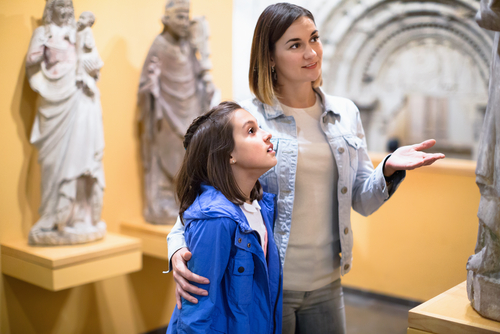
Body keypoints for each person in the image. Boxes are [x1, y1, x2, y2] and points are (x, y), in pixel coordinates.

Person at [167, 3, 445, 333]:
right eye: (295, 45)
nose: (311, 52)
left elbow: (362, 200)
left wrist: (386, 169)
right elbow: (207, 197)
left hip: (328, 284)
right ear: (269, 57)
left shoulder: (346, 113)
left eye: (314, 38)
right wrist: (175, 250)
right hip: (268, 283)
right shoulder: (247, 119)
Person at [166, 101, 282, 334]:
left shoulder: (259, 207)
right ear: (229, 155)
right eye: (251, 131)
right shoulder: (215, 219)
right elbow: (196, 315)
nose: (267, 135)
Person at [26, 0, 106, 245]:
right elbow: (31, 60)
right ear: (50, 10)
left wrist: (89, 67)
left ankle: (79, 216)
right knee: (52, 163)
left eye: (67, 5)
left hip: (80, 97)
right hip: (53, 96)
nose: (64, 10)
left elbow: (94, 60)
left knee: (82, 159)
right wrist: (43, 51)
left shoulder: (79, 32)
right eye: (59, 5)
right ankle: (52, 215)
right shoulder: (42, 32)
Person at [138, 0, 217, 224]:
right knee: (167, 154)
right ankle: (163, 202)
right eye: (180, 17)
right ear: (166, 19)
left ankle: (187, 198)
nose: (185, 22)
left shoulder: (188, 47)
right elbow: (144, 85)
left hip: (191, 110)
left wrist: (205, 87)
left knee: (190, 155)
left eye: (187, 17)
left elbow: (198, 75)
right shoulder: (159, 45)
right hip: (166, 114)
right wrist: (151, 87)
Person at [75, 11, 103, 97]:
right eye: (79, 17)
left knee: (80, 60)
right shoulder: (79, 31)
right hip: (81, 54)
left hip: (87, 56)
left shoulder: (87, 30)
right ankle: (85, 83)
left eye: (83, 18)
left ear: (89, 22)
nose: (79, 20)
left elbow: (89, 44)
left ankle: (82, 78)